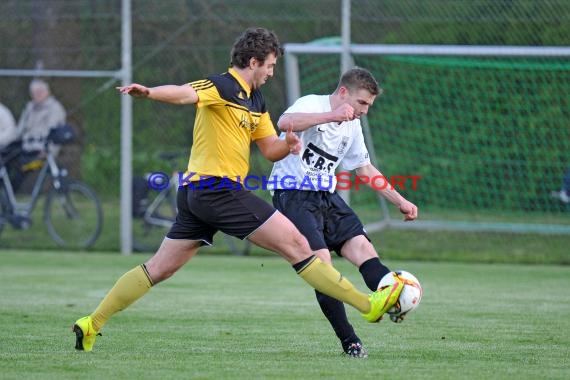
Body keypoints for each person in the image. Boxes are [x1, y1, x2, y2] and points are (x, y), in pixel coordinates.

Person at [72, 28, 405, 352]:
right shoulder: (221, 85)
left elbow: (268, 149)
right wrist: (150, 92)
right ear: (254, 61)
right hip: (215, 189)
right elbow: (184, 92)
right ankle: (367, 305)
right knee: (298, 245)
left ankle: (92, 323)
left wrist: (287, 144)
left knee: (158, 268)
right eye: (271, 65)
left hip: (200, 195)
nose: (272, 73)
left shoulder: (256, 100)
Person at [268, 67, 418, 358]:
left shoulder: (352, 125)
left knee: (364, 249)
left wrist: (399, 200)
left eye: (369, 106)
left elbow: (364, 168)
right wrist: (331, 116)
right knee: (322, 267)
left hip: (326, 196)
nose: (364, 110)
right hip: (293, 194)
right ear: (344, 93)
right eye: (362, 103)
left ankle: (392, 301)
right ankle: (350, 341)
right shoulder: (313, 104)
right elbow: (284, 121)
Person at [10, 79, 66, 191]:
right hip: (24, 149)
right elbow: (19, 131)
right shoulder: (29, 108)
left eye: (41, 91)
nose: (38, 94)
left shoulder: (54, 108)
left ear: (48, 92)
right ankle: (8, 198)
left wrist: (49, 151)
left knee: (23, 169)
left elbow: (55, 134)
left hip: (41, 152)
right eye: (35, 92)